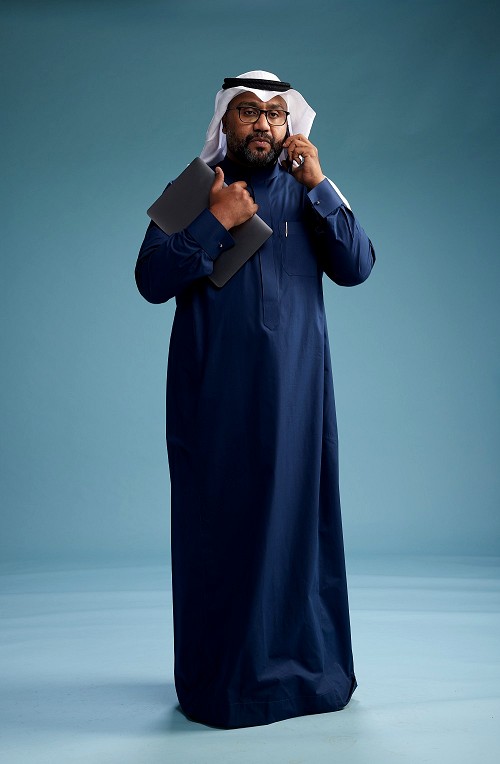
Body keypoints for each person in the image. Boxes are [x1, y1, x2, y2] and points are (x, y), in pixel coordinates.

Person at [135, 70, 375, 729]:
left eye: (274, 112)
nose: (263, 123)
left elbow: (357, 266)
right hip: (214, 395)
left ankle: (311, 676)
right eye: (248, 111)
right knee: (221, 530)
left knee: (300, 530)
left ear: (290, 122)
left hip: (298, 398)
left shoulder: (309, 190)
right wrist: (216, 220)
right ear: (225, 122)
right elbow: (151, 280)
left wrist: (319, 184)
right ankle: (225, 685)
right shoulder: (196, 186)